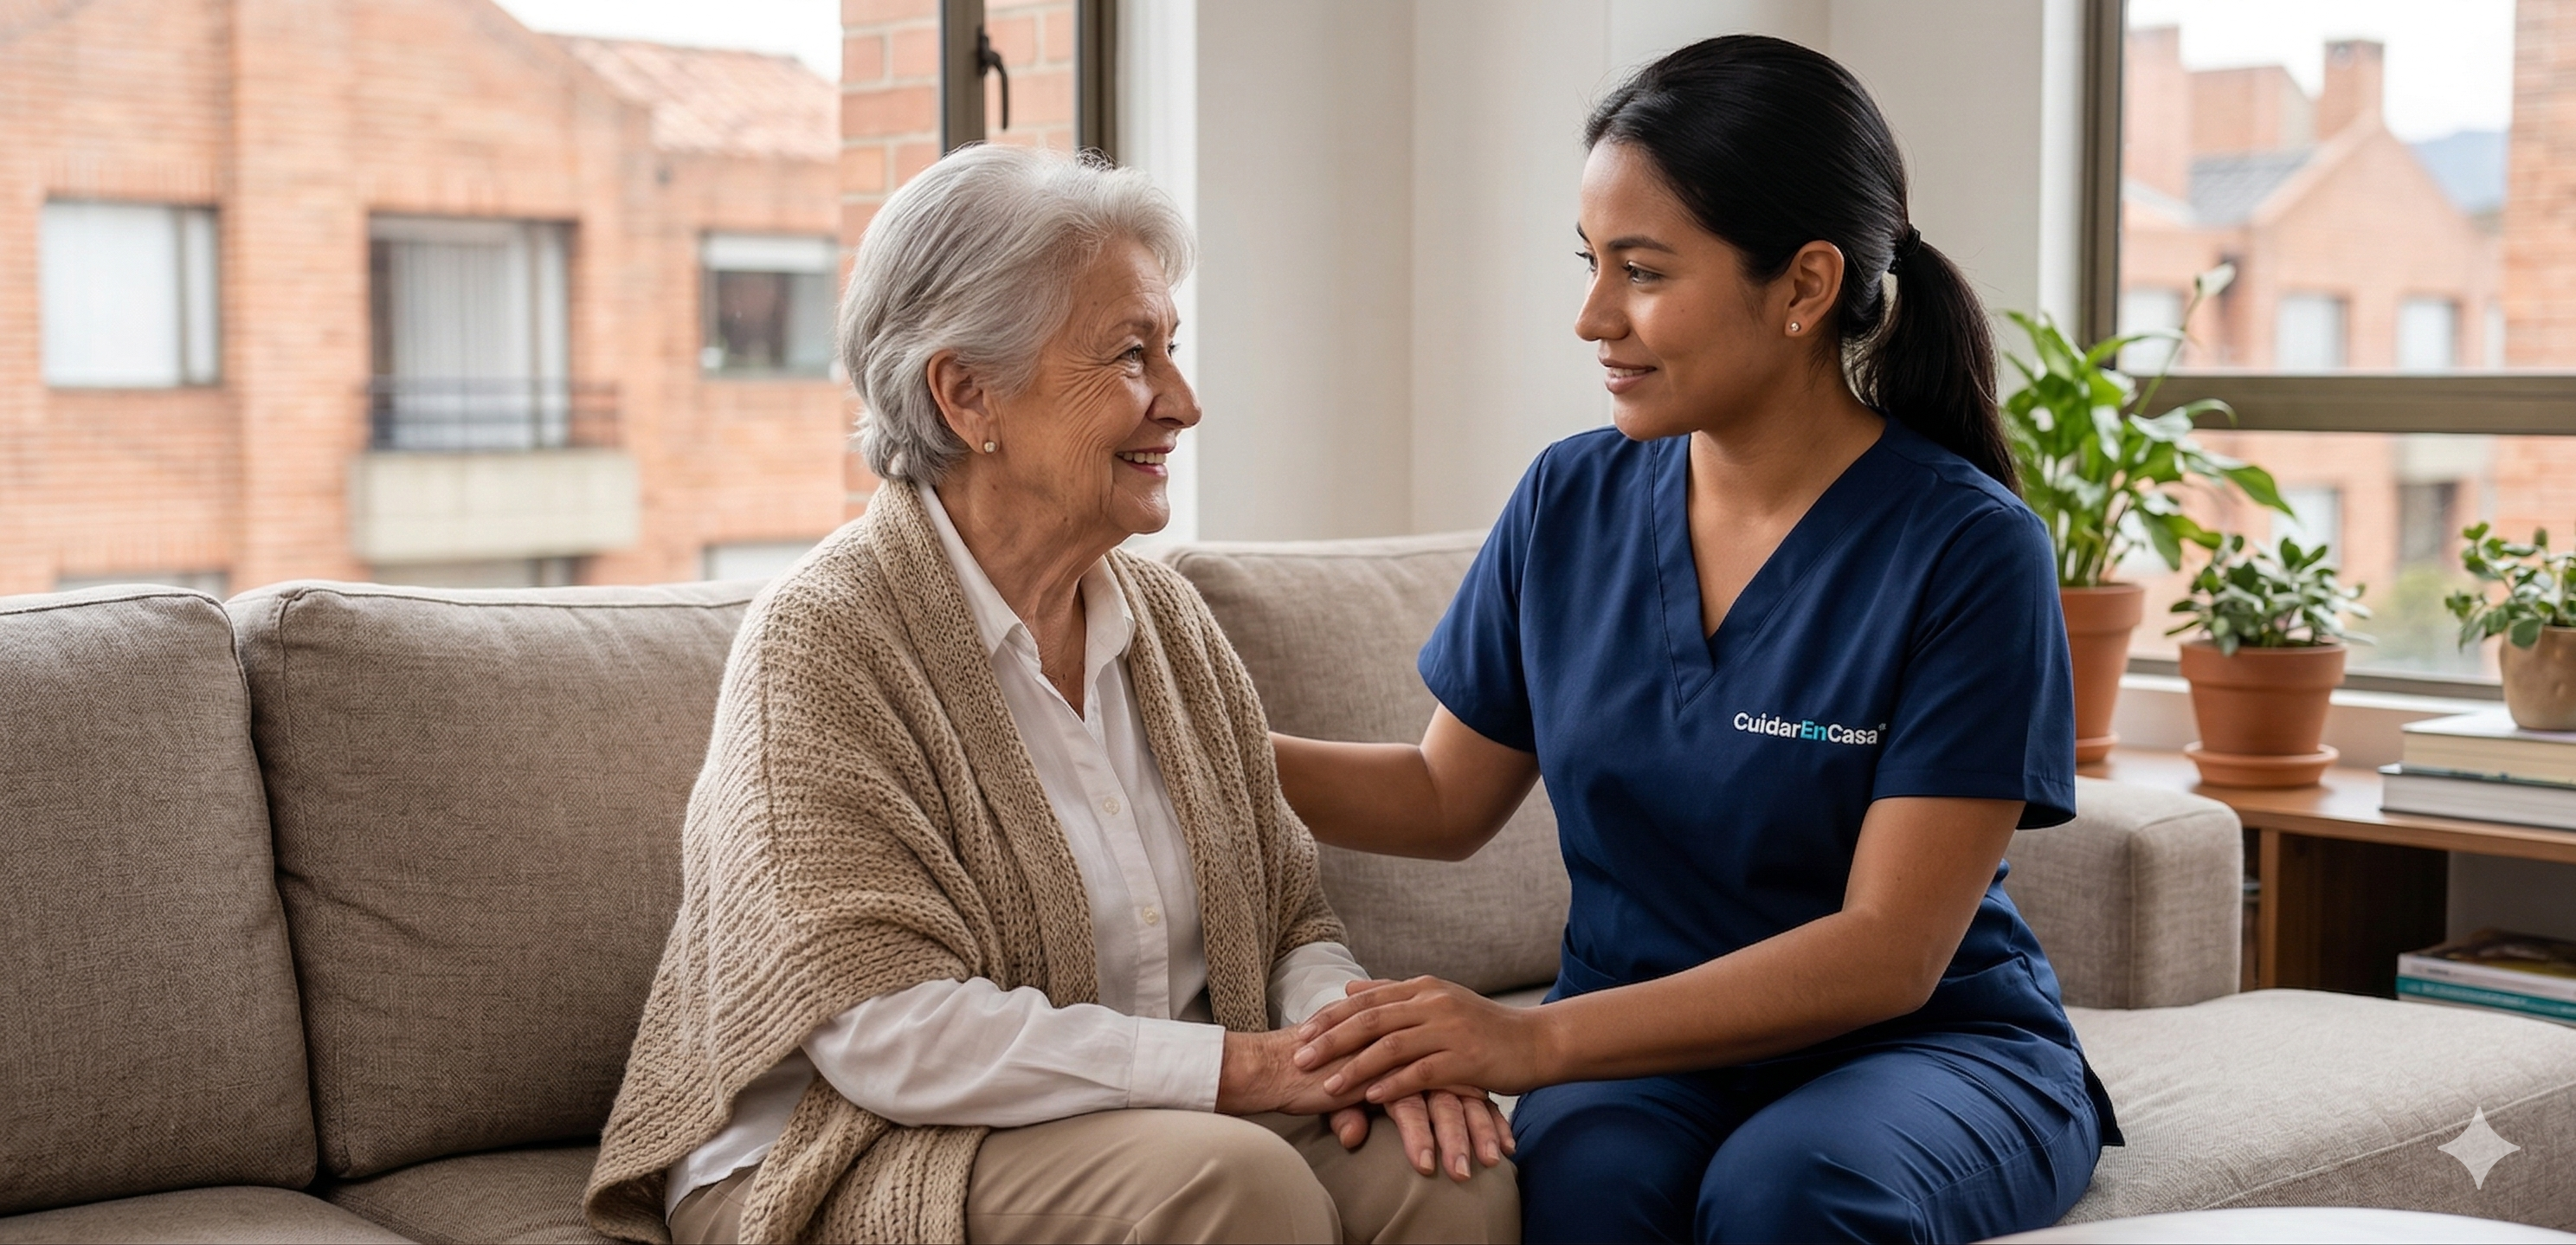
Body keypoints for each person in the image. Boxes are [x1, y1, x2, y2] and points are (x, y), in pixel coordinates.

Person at [583, 145, 1516, 1245]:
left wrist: (1352, 1046)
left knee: (1449, 1171)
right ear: (967, 392)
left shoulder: (1168, 625)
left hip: (1140, 1119)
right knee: (1231, 1185)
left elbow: (1289, 922)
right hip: (857, 1134)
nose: (1183, 402)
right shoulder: (826, 641)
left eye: (1171, 350)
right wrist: (1242, 1068)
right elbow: (886, 1032)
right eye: (1131, 357)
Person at [1271, 35, 2120, 1245]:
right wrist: (1180, 748)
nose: (1592, 316)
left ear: (1804, 287)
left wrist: (1531, 1040)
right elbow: (1441, 797)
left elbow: (1888, 952)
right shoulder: (1568, 499)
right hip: (1643, 1047)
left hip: (1921, 1046)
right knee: (1586, 1193)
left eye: (1643, 271)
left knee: (1787, 1193)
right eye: (1591, 263)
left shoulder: (1970, 550)